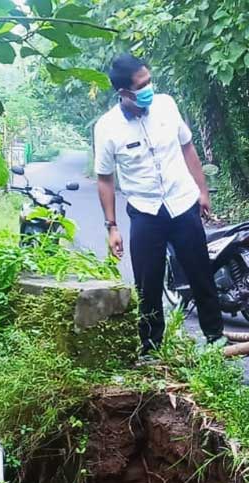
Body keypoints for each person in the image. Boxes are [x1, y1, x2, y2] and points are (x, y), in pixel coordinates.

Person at [94, 53, 225, 354]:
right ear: (124, 93)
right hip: (145, 212)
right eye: (142, 85)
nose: (149, 87)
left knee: (200, 274)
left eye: (149, 80)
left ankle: (215, 337)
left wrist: (202, 191)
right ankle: (151, 348)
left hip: (182, 203)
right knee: (147, 284)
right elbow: (104, 179)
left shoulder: (166, 105)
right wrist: (112, 226)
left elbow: (188, 147)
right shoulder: (107, 128)